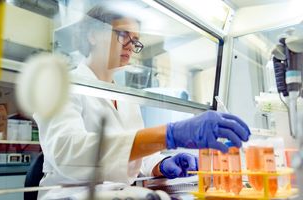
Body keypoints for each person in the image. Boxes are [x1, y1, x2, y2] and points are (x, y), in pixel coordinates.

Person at [33, 1, 250, 199]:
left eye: (135, 40)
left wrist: (162, 163)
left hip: (120, 194)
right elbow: (68, 152)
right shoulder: (61, 85)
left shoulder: (126, 98)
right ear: (93, 34)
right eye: (123, 34)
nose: (130, 45)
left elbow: (136, 156)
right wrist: (168, 134)